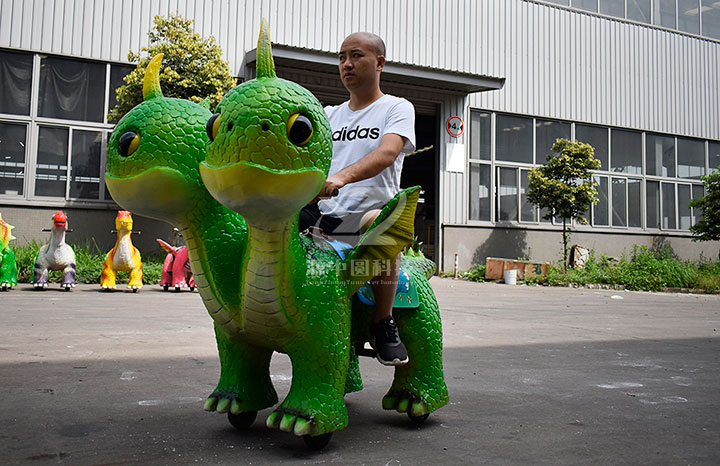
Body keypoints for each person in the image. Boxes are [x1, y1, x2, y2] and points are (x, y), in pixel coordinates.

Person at [299, 32, 416, 366]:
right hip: (323, 217)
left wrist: (339, 178)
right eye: (341, 57)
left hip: (366, 216)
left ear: (379, 62)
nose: (346, 64)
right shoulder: (328, 115)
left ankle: (383, 321)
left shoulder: (396, 108)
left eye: (356, 56)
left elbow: (388, 153)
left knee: (381, 222)